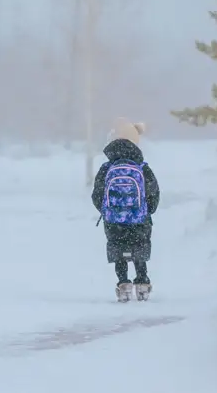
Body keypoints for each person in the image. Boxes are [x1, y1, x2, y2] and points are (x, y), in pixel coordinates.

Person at [91, 117, 160, 301]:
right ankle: (142, 283)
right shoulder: (142, 167)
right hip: (139, 218)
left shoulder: (107, 168)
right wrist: (147, 211)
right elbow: (153, 192)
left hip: (114, 220)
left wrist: (106, 211)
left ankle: (123, 284)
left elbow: (97, 194)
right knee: (139, 247)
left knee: (118, 248)